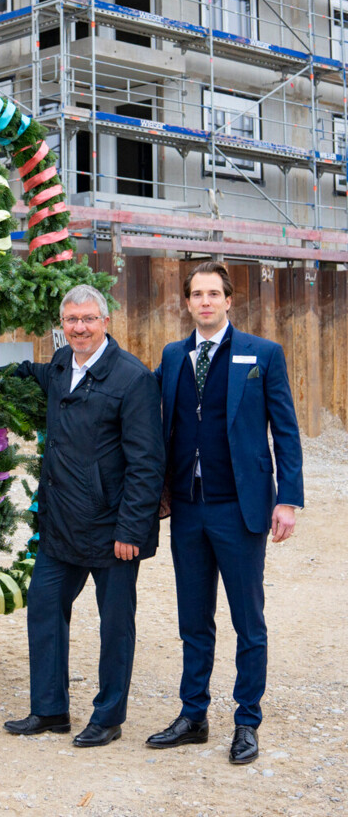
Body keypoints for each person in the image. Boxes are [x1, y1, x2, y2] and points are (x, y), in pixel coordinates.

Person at [146, 260, 303, 765]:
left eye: (215, 293)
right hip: (188, 510)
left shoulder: (263, 354)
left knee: (247, 620)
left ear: (230, 301)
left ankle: (246, 721)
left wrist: (288, 498)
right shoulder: (173, 357)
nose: (206, 302)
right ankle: (193, 715)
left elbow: (286, 430)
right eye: (197, 294)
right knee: (194, 619)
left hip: (240, 509)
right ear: (187, 302)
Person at [4, 284, 165, 747]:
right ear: (63, 325)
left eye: (88, 319)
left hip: (113, 530)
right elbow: (35, 373)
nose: (80, 328)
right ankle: (50, 709)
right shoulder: (60, 366)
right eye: (71, 320)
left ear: (105, 322)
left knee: (115, 624)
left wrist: (132, 528)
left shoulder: (132, 379)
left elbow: (147, 463)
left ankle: (108, 716)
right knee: (45, 607)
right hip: (61, 526)